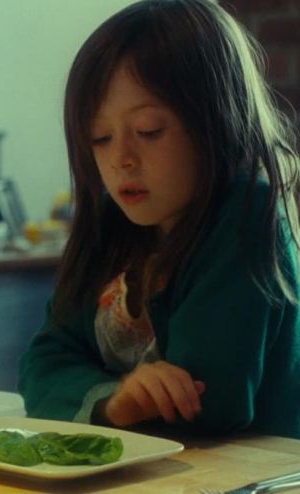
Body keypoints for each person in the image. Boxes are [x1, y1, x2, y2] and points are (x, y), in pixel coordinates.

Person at [17, 0, 300, 439]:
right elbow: (41, 363)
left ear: (215, 121)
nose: (121, 159)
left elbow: (206, 402)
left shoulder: (247, 214)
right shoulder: (112, 221)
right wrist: (115, 400)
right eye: (100, 137)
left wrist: (114, 397)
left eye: (149, 131)